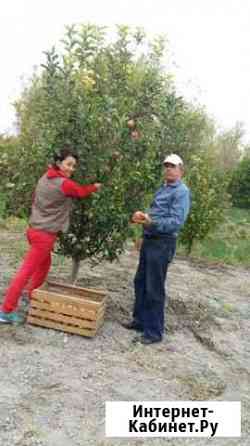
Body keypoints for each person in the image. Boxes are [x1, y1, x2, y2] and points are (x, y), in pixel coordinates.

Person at [0, 147, 102, 324]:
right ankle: (6, 311)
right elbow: (81, 192)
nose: (71, 168)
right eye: (68, 164)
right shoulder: (64, 183)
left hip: (34, 230)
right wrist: (95, 186)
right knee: (26, 272)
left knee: (44, 264)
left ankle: (34, 297)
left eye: (74, 165)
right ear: (59, 163)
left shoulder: (45, 178)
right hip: (44, 235)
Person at [123, 153, 190, 345]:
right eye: (166, 166)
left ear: (180, 170)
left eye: (173, 166)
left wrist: (152, 223)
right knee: (141, 282)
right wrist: (142, 221)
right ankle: (140, 321)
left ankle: (154, 332)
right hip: (150, 240)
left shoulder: (181, 192)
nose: (168, 169)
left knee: (154, 287)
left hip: (163, 243)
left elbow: (176, 223)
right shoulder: (163, 188)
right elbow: (155, 213)